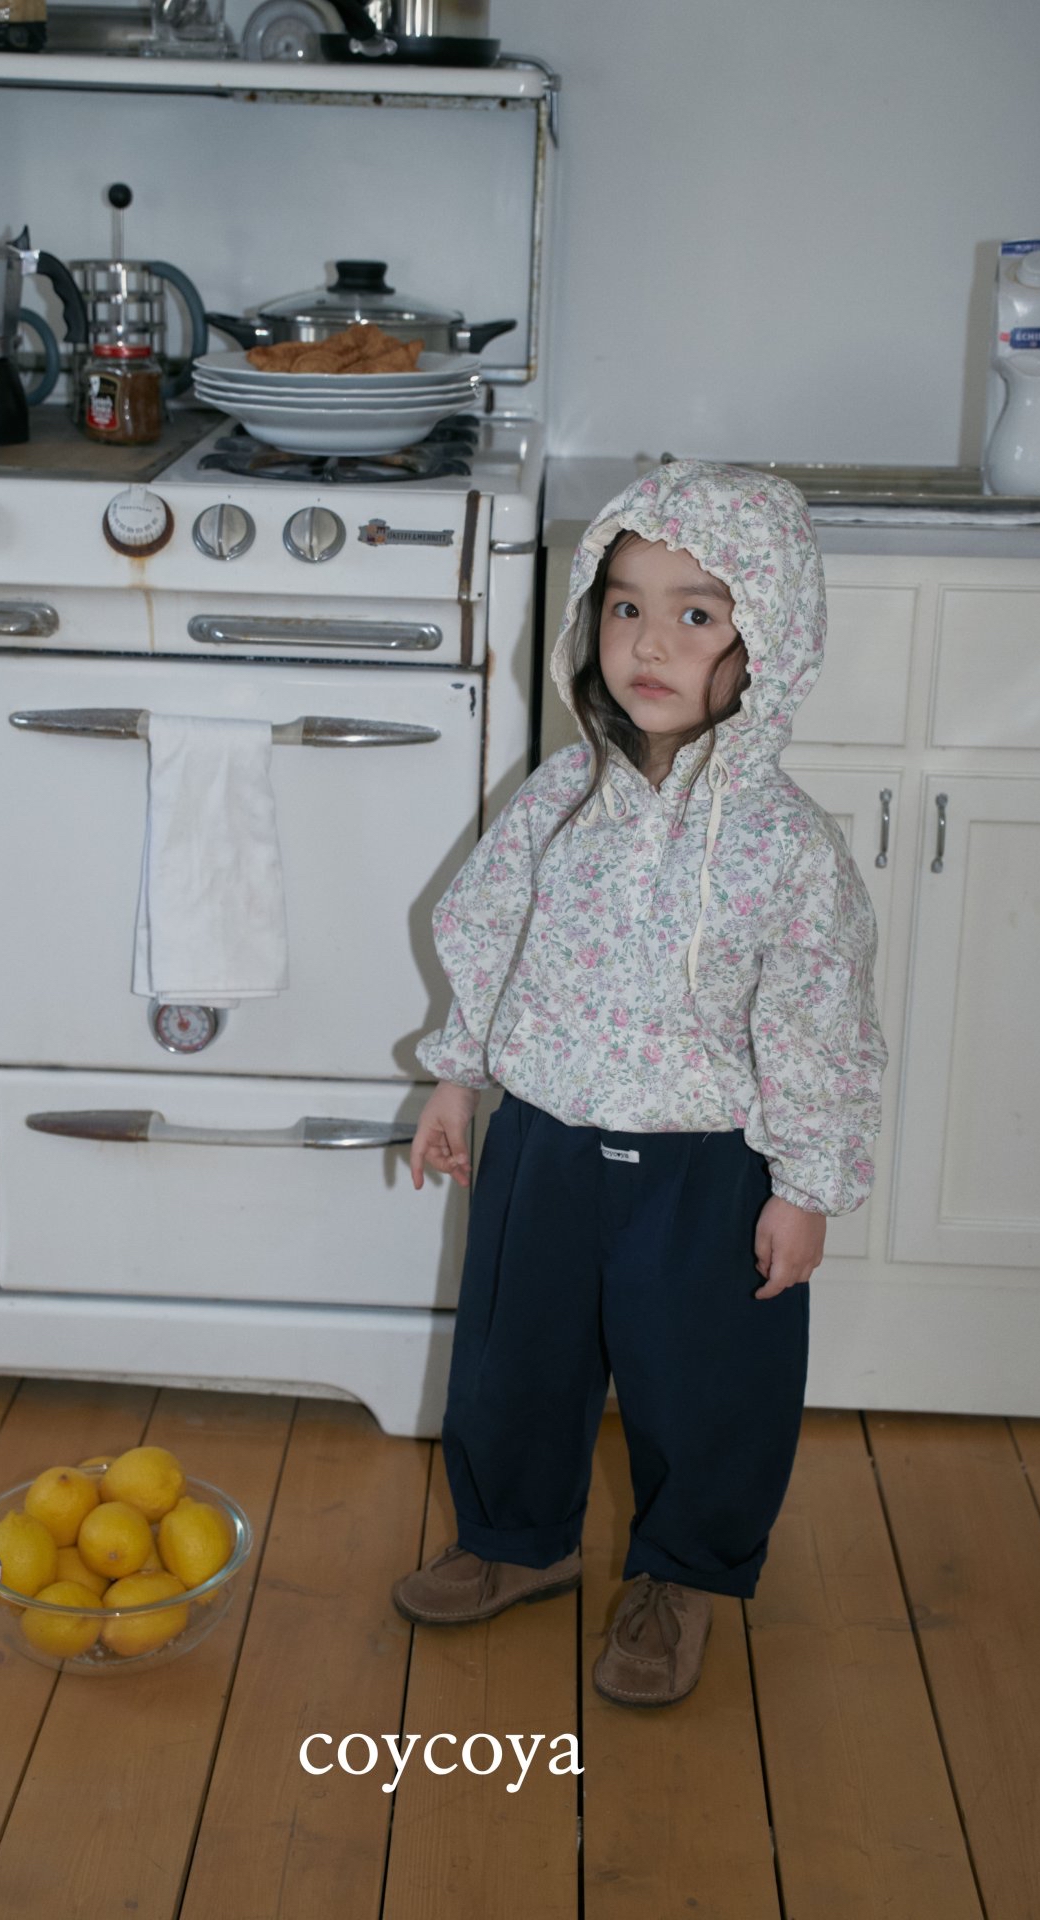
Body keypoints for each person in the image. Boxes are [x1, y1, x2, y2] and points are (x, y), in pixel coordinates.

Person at [392, 461, 888, 1710]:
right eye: (622, 606)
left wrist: (806, 1186)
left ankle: (681, 1577)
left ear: (766, 632)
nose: (647, 645)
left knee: (706, 1385)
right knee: (516, 1360)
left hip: (707, 1166)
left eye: (695, 614)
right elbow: (486, 939)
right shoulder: (558, 801)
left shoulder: (786, 848)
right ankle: (516, 1538)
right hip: (546, 1142)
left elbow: (819, 1026)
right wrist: (455, 1081)